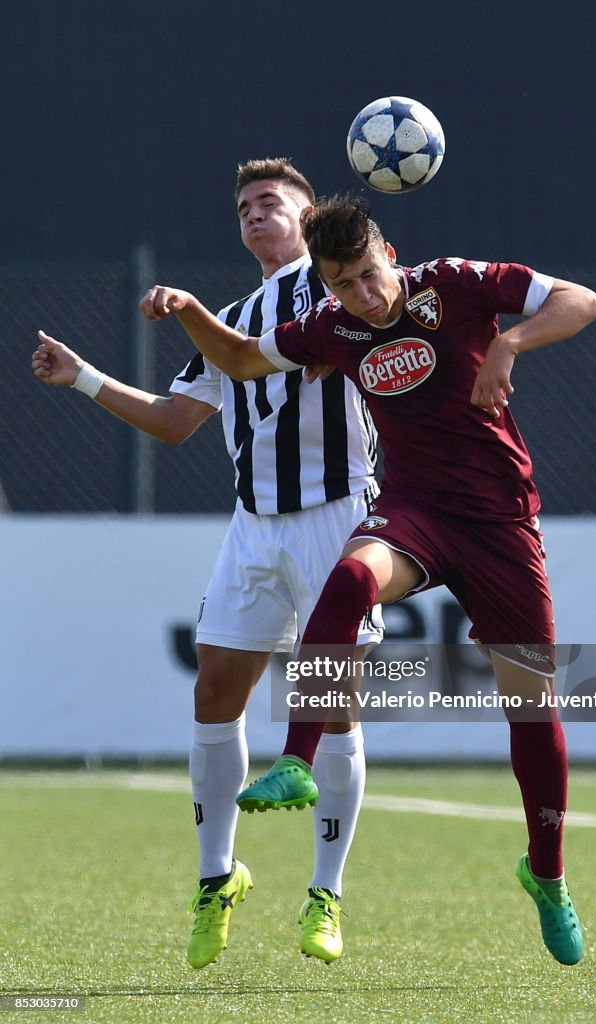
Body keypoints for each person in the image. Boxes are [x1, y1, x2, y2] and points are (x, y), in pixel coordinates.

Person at [138, 193, 596, 967]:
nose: (365, 294)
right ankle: (294, 759)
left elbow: (580, 301)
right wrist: (188, 309)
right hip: (415, 513)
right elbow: (244, 360)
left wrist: (508, 345)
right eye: (344, 284)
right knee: (349, 577)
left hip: (499, 523)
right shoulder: (333, 326)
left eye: (368, 274)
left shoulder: (453, 281)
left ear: (387, 250)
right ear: (326, 285)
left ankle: (547, 876)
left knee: (532, 709)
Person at [31, 163, 384, 968]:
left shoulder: (337, 294)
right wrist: (82, 376)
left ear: (309, 218)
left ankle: (325, 891)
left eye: (271, 202)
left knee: (331, 703)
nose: (255, 214)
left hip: (336, 517)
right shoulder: (229, 320)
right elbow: (175, 420)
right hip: (252, 527)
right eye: (243, 208)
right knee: (215, 691)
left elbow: (361, 344)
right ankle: (216, 878)